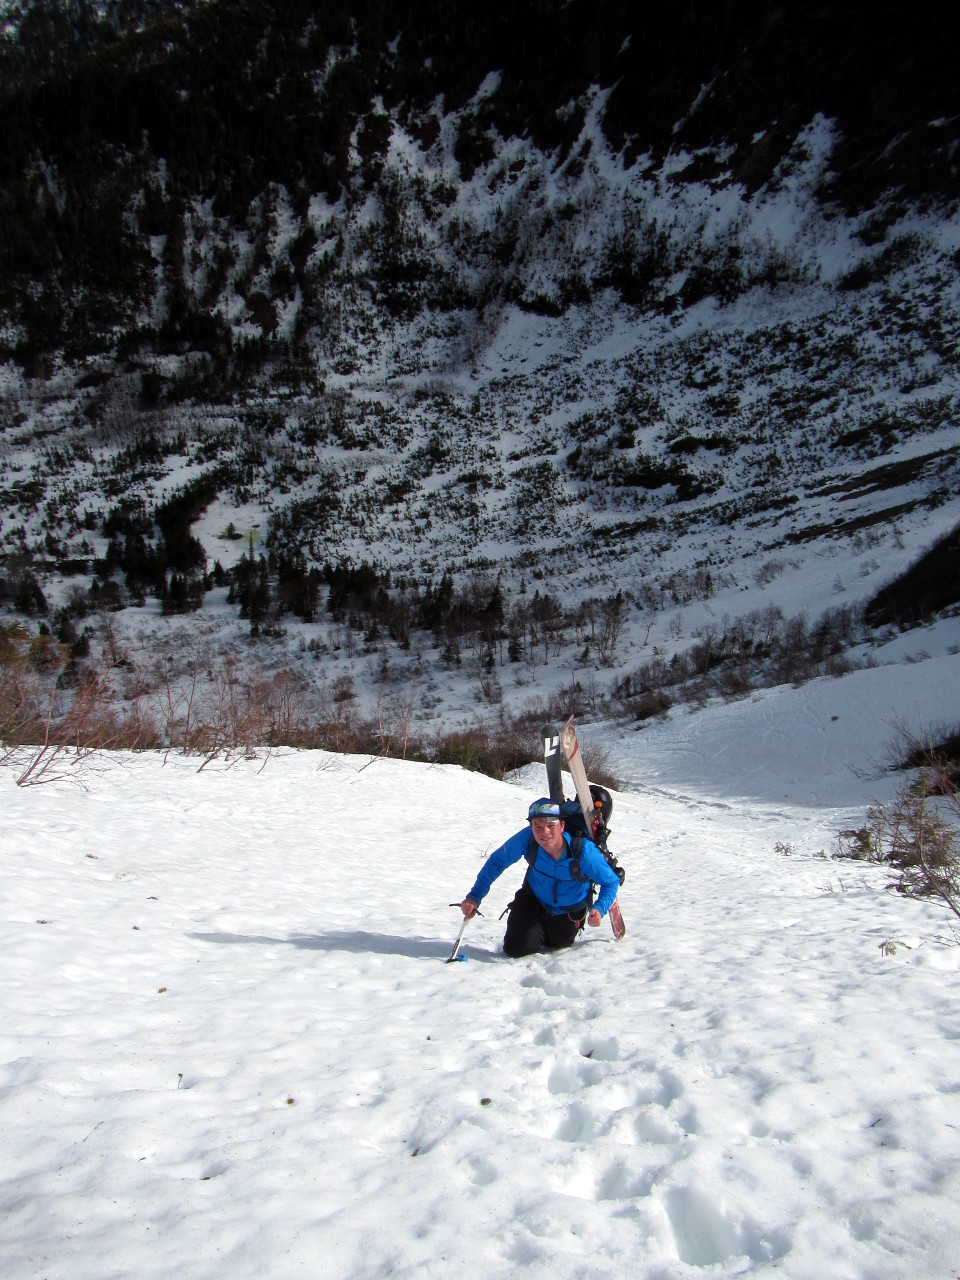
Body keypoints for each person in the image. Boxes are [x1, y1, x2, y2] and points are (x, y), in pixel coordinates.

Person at [460, 797, 622, 957]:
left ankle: (547, 929)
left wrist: (600, 908)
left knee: (559, 943)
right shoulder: (528, 839)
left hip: (570, 907)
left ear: (562, 826)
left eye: (551, 825)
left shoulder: (584, 852)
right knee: (517, 948)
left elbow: (611, 882)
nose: (544, 832)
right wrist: (475, 896)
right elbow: (497, 862)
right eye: (537, 826)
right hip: (535, 898)